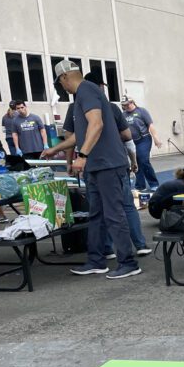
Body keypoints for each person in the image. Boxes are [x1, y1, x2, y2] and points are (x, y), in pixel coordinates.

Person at [53, 59, 141, 279]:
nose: (61, 87)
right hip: (97, 165)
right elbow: (79, 134)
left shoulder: (86, 91)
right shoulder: (83, 96)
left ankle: (128, 262)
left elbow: (97, 124)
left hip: (107, 164)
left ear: (65, 77)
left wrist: (81, 156)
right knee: (97, 215)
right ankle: (96, 260)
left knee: (113, 214)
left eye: (60, 82)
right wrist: (56, 149)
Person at [121, 97, 162, 191]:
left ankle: (154, 184)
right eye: (123, 105)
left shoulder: (141, 111)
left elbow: (150, 125)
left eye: (127, 104)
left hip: (144, 139)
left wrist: (156, 139)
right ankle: (140, 185)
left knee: (143, 161)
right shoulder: (123, 115)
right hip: (131, 142)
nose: (125, 106)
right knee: (135, 162)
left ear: (132, 102)